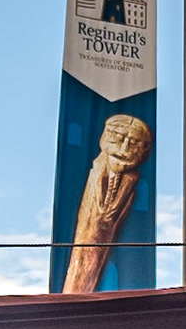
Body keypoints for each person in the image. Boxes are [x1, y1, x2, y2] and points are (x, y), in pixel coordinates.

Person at [62, 113, 153, 293]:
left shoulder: (132, 183)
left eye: (134, 143)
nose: (124, 148)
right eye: (118, 139)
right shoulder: (94, 173)